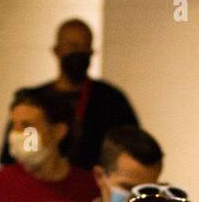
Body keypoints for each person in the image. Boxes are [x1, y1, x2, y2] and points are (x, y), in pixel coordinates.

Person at [18, 18, 138, 172]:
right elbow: (13, 152)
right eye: (72, 46)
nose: (78, 53)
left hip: (93, 186)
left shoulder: (111, 100)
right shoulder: (33, 99)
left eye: (84, 48)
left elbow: (131, 150)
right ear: (57, 50)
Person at [0, 87, 96, 202]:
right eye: (13, 125)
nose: (16, 134)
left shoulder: (90, 188)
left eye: (27, 126)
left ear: (59, 131)